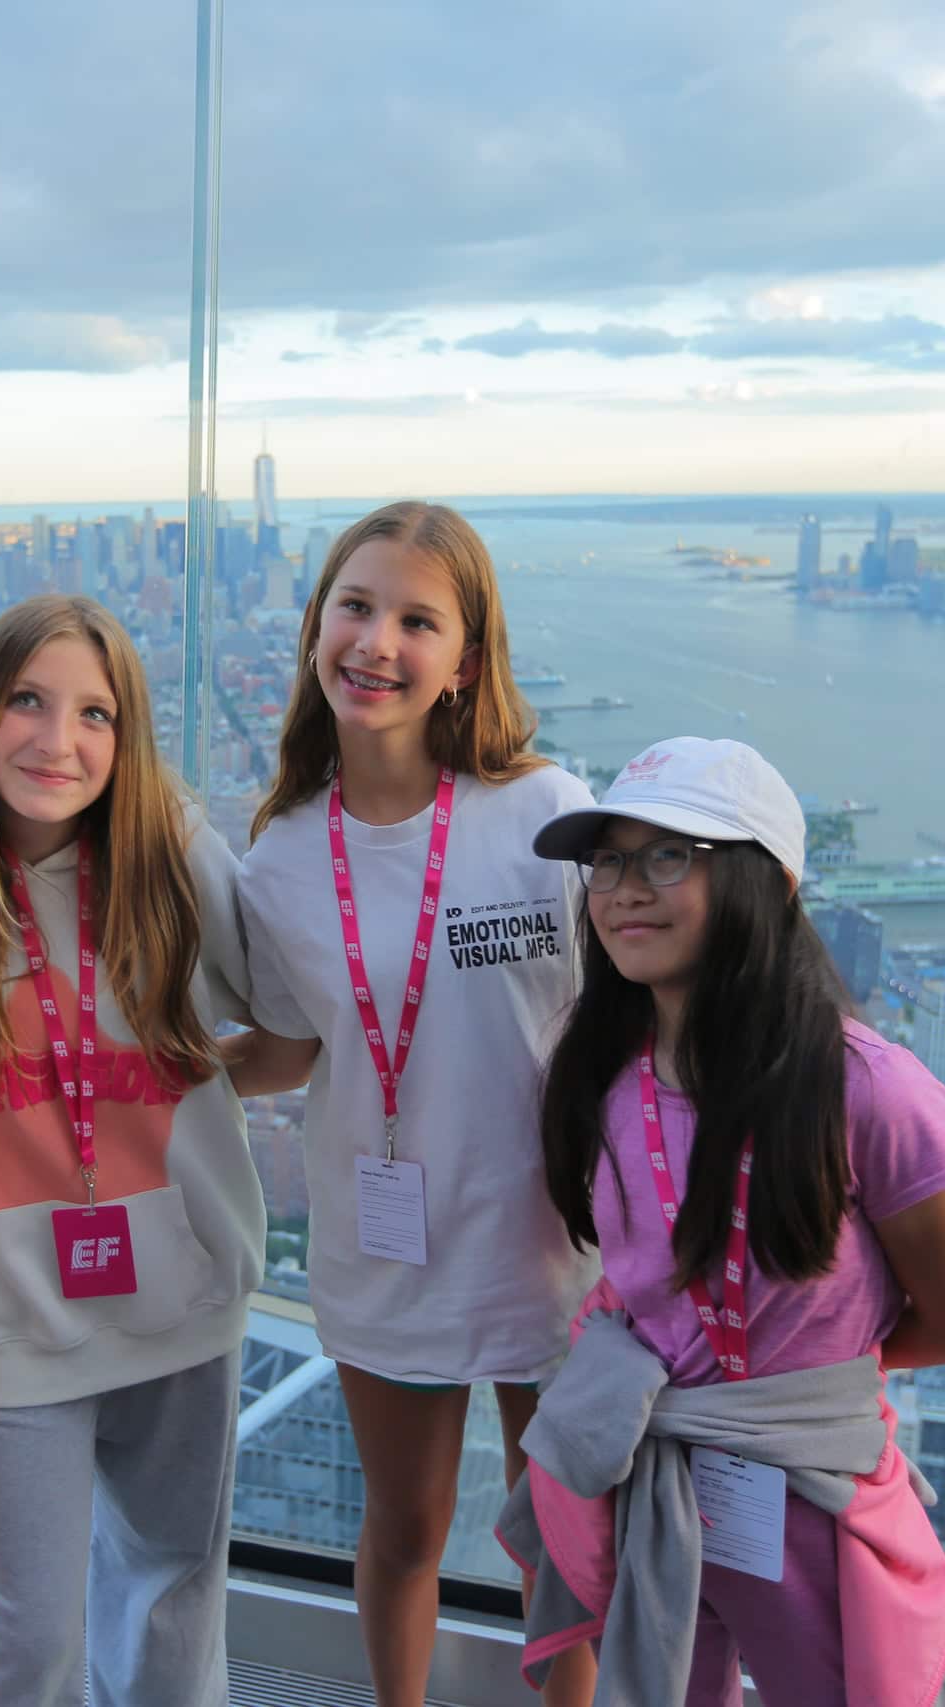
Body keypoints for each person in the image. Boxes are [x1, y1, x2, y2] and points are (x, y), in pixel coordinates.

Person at [506, 735, 945, 1705]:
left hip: (799, 1485)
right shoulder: (600, 1068)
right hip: (654, 1480)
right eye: (607, 859)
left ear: (765, 884)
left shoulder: (870, 1092)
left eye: (666, 856)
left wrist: (785, 1387)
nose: (623, 888)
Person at [0, 595, 264, 1707]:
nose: (57, 740)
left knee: (176, 1604)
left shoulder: (165, 846)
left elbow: (291, 1016)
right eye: (27, 701)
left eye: (95, 713)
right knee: (31, 1638)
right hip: (1, 1314)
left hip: (181, 1298)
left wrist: (183, 1070)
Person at [228, 502, 599, 1705]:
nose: (376, 641)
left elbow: (634, 1013)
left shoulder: (544, 815)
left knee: (562, 1546)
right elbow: (292, 1048)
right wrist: (147, 1068)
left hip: (554, 1246)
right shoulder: (280, 852)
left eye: (415, 619)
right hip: (383, 1247)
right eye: (355, 605)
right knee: (403, 1529)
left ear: (465, 660)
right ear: (315, 625)